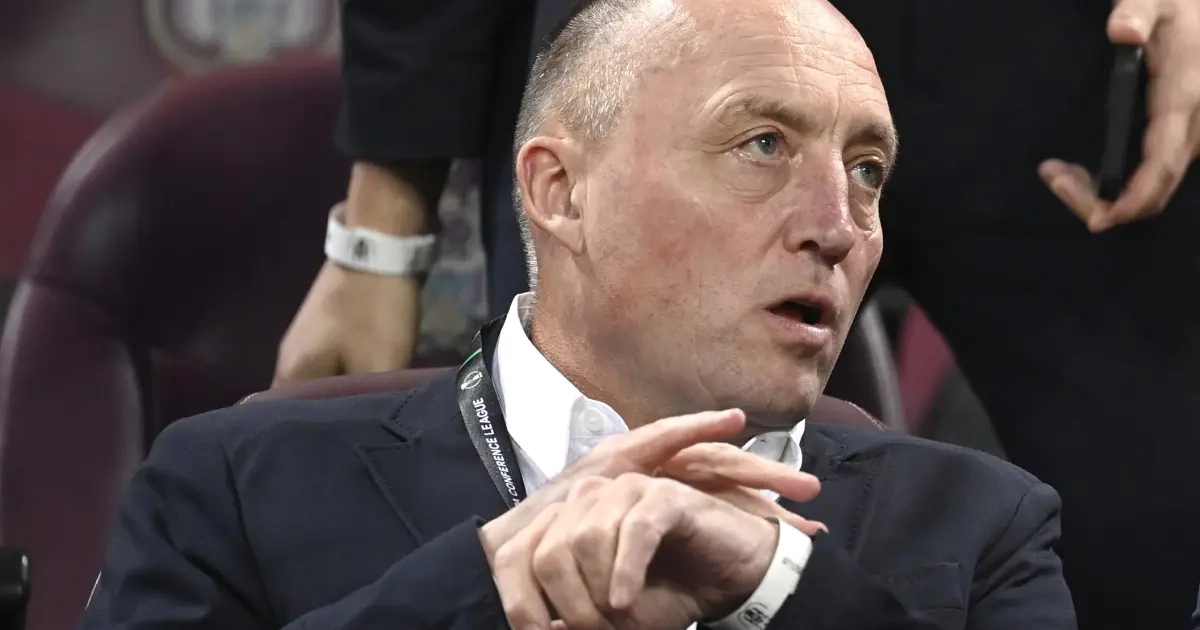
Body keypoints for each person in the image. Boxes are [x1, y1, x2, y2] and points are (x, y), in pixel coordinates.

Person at [80, 0, 1076, 628]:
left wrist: (776, 584)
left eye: (866, 170)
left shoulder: (986, 524)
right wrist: (486, 589)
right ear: (561, 193)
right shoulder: (233, 487)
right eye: (763, 145)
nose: (838, 227)